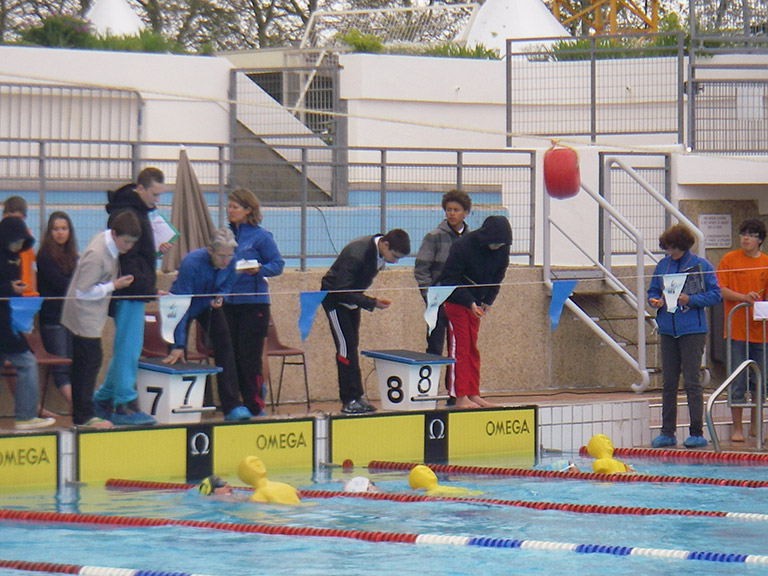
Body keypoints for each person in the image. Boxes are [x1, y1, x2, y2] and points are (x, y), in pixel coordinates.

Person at [93, 167, 170, 426]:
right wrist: (147, 288)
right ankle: (124, 402)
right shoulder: (126, 214)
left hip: (134, 289)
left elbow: (137, 256)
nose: (157, 200)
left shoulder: (136, 211)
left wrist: (155, 253)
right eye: (154, 194)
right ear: (140, 188)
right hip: (128, 291)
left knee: (127, 346)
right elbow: (126, 258)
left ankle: (104, 398)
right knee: (128, 347)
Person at [163, 227, 253, 422]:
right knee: (177, 354)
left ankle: (231, 405)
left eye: (229, 256)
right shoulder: (191, 263)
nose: (226, 261)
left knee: (225, 346)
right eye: (221, 256)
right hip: (181, 306)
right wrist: (178, 344)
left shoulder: (232, 261)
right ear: (209, 250)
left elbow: (228, 284)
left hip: (207, 304)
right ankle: (179, 406)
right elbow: (181, 304)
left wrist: (221, 295)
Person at [61, 211, 140, 428]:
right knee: (88, 363)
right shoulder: (97, 254)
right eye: (126, 242)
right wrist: (113, 286)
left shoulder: (109, 241)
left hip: (91, 314)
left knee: (88, 362)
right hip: (83, 315)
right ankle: (84, 416)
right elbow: (82, 292)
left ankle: (81, 412)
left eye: (133, 242)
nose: (129, 247)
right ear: (114, 234)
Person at [321, 229, 411, 414]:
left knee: (352, 347)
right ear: (385, 245)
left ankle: (357, 397)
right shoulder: (357, 254)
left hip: (352, 300)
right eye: (394, 256)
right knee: (345, 349)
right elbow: (341, 290)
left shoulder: (377, 251)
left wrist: (366, 301)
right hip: (335, 300)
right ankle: (348, 399)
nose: (394, 261)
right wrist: (372, 302)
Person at [648, 224, 721, 449]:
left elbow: (715, 294)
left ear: (683, 247)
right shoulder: (663, 265)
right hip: (668, 329)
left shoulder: (701, 265)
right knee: (669, 382)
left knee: (691, 380)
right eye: (667, 249)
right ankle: (667, 432)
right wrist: (655, 301)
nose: (670, 253)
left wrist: (690, 300)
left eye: (673, 249)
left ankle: (696, 432)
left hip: (693, 330)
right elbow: (653, 290)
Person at [437, 215, 512, 409]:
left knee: (472, 349)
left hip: (476, 304)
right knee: (459, 348)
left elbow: (497, 276)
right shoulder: (463, 246)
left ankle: (472, 392)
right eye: (494, 243)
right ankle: (458, 395)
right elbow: (449, 280)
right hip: (456, 302)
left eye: (500, 244)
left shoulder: (502, 248)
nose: (496, 247)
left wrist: (487, 300)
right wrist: (469, 301)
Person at [225, 188, 285, 417]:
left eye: (235, 207)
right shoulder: (225, 235)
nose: (230, 211)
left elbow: (277, 264)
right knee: (232, 356)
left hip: (253, 304)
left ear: (248, 210)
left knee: (250, 356)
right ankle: (237, 403)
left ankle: (255, 403)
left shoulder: (261, 237)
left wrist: (258, 269)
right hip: (229, 304)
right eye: (229, 207)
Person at [414, 190, 472, 403]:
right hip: (438, 302)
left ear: (466, 213)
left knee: (458, 349)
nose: (451, 214)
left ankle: (454, 393)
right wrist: (430, 296)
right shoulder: (434, 237)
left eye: (456, 210)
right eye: (448, 210)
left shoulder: (471, 239)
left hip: (461, 302)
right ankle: (427, 393)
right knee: (434, 348)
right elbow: (421, 269)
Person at [715, 219, 768, 442]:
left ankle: (755, 426)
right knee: (737, 380)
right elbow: (721, 290)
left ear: (759, 240)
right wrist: (743, 298)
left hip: (761, 332)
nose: (745, 238)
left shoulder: (766, 262)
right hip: (736, 330)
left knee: (761, 382)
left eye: (751, 234)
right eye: (743, 233)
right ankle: (737, 428)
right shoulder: (729, 259)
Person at [0, 216, 55, 430]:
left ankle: (25, 415)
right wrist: (9, 289)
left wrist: (15, 290)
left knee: (25, 362)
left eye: (20, 243)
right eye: (14, 242)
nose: (17, 247)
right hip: (4, 327)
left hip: (7, 322)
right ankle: (25, 416)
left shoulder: (14, 257)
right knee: (27, 363)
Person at [36, 212, 78, 414]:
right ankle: (78, 406)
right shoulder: (44, 256)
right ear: (49, 232)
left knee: (73, 365)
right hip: (53, 319)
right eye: (56, 229)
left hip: (71, 318)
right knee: (61, 367)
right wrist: (82, 287)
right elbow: (60, 284)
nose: (60, 233)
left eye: (64, 228)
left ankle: (78, 407)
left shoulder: (72, 256)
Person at [2, 196, 37, 297]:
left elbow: (31, 266)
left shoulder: (26, 239)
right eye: (10, 218)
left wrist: (33, 292)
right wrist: (9, 287)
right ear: (3, 216)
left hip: (24, 293)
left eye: (18, 219)